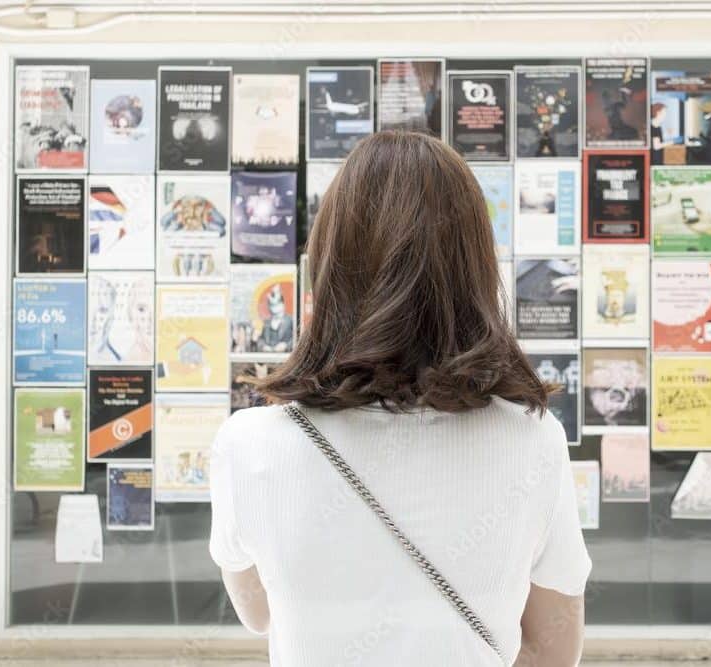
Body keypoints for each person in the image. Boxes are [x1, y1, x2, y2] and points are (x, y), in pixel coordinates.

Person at [209, 130, 591, 666]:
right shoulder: (532, 439)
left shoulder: (248, 444)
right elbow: (552, 650)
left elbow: (258, 614)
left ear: (327, 265)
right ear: (476, 270)